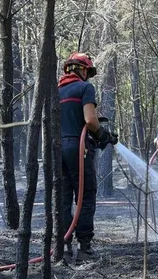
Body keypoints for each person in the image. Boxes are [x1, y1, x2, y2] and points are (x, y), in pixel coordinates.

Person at [58, 52, 118, 258]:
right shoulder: (85, 88)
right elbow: (90, 121)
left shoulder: (56, 90)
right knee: (85, 195)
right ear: (82, 70)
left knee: (63, 198)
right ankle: (84, 247)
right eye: (87, 72)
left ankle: (63, 246)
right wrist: (103, 135)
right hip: (79, 147)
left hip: (57, 150)